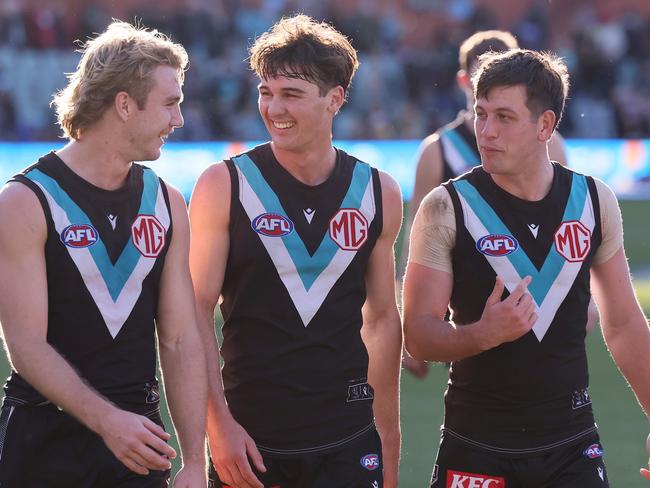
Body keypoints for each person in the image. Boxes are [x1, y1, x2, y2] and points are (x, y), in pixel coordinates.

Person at [403, 48, 650, 486]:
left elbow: (625, 323)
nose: (486, 131)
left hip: (572, 446)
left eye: (504, 117)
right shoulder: (445, 206)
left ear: (545, 125)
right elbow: (418, 336)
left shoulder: (594, 201)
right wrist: (481, 334)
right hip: (475, 446)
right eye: (481, 114)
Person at [189, 14, 402, 488]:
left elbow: (383, 318)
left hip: (348, 439)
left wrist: (387, 435)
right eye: (266, 92)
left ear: (335, 100)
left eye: (291, 94)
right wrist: (216, 427)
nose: (273, 108)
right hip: (250, 443)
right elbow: (195, 312)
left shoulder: (377, 191)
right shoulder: (223, 185)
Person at [0, 21, 207, 487]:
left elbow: (179, 340)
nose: (179, 120)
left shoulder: (168, 202)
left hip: (138, 445)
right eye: (170, 104)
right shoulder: (25, 201)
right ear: (124, 105)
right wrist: (109, 422)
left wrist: (195, 460)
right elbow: (26, 346)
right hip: (43, 443)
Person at [400, 30, 574, 379]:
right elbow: (415, 236)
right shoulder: (438, 149)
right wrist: (411, 312)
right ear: (465, 79)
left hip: (533, 289)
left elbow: (567, 222)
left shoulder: (550, 144)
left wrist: (582, 300)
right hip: (466, 292)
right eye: (484, 75)